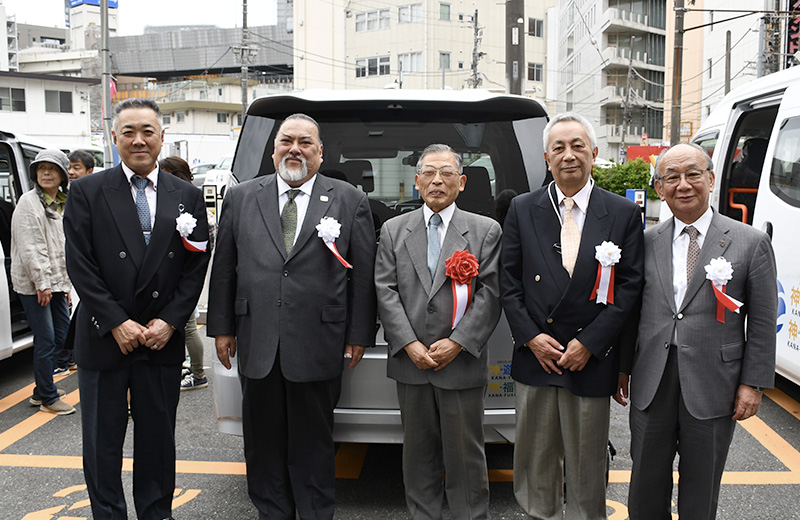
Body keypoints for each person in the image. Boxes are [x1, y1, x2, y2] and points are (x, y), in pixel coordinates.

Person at [207, 113, 377, 520]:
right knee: (262, 442)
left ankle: (316, 512)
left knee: (313, 441)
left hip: (318, 340)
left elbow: (363, 275)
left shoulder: (349, 199)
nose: (295, 149)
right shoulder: (243, 196)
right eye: (287, 141)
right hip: (257, 337)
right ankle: (272, 511)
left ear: (320, 153)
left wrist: (358, 333)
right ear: (273, 151)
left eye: (305, 142)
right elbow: (225, 267)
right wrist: (222, 329)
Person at [63, 98, 210, 520]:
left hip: (160, 339)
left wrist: (171, 321)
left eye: (148, 131)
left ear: (162, 137)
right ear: (114, 139)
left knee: (157, 444)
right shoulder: (89, 191)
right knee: (101, 443)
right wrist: (115, 322)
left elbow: (196, 264)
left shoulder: (187, 195)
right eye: (129, 132)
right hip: (105, 337)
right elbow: (80, 263)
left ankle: (155, 514)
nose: (139, 140)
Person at [499, 112, 644, 519]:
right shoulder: (522, 209)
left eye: (577, 146)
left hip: (590, 357)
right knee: (535, 458)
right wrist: (530, 336)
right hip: (537, 354)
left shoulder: (622, 213)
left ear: (594, 153)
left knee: (587, 462)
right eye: (558, 148)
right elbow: (508, 281)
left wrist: (591, 343)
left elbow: (629, 288)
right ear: (547, 158)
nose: (568, 155)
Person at [623, 143, 777, 520]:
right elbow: (630, 313)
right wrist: (622, 370)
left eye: (693, 174)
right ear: (659, 188)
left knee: (701, 486)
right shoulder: (645, 241)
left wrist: (752, 384)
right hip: (652, 378)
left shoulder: (750, 241)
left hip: (714, 381)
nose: (683, 184)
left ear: (710, 178)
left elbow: (761, 320)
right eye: (671, 177)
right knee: (645, 485)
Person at [375, 144, 502, 520]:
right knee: (417, 455)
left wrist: (458, 342)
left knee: (466, 456)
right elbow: (385, 290)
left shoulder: (484, 230)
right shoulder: (394, 230)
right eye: (428, 172)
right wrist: (409, 343)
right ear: (416, 182)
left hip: (460, 364)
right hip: (411, 363)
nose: (437, 180)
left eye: (446, 172)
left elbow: (491, 294)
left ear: (461, 182)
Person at [11, 149, 74, 415]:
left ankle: (40, 390)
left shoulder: (62, 200)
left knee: (62, 334)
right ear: (35, 173)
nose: (46, 173)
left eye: (52, 168)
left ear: (62, 174)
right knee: (46, 339)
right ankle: (47, 397)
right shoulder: (29, 202)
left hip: (57, 281)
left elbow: (63, 246)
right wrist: (42, 283)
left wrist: (65, 285)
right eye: (41, 168)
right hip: (36, 283)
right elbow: (31, 247)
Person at [158, 156, 213, 391]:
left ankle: (199, 373)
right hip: (175, 276)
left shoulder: (188, 199)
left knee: (188, 325)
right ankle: (194, 369)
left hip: (182, 276)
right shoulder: (182, 195)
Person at [56, 149, 97, 374]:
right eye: (69, 168)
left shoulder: (98, 195)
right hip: (68, 268)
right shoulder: (64, 195)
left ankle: (67, 355)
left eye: (76, 168)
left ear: (89, 170)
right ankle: (66, 356)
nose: (70, 172)